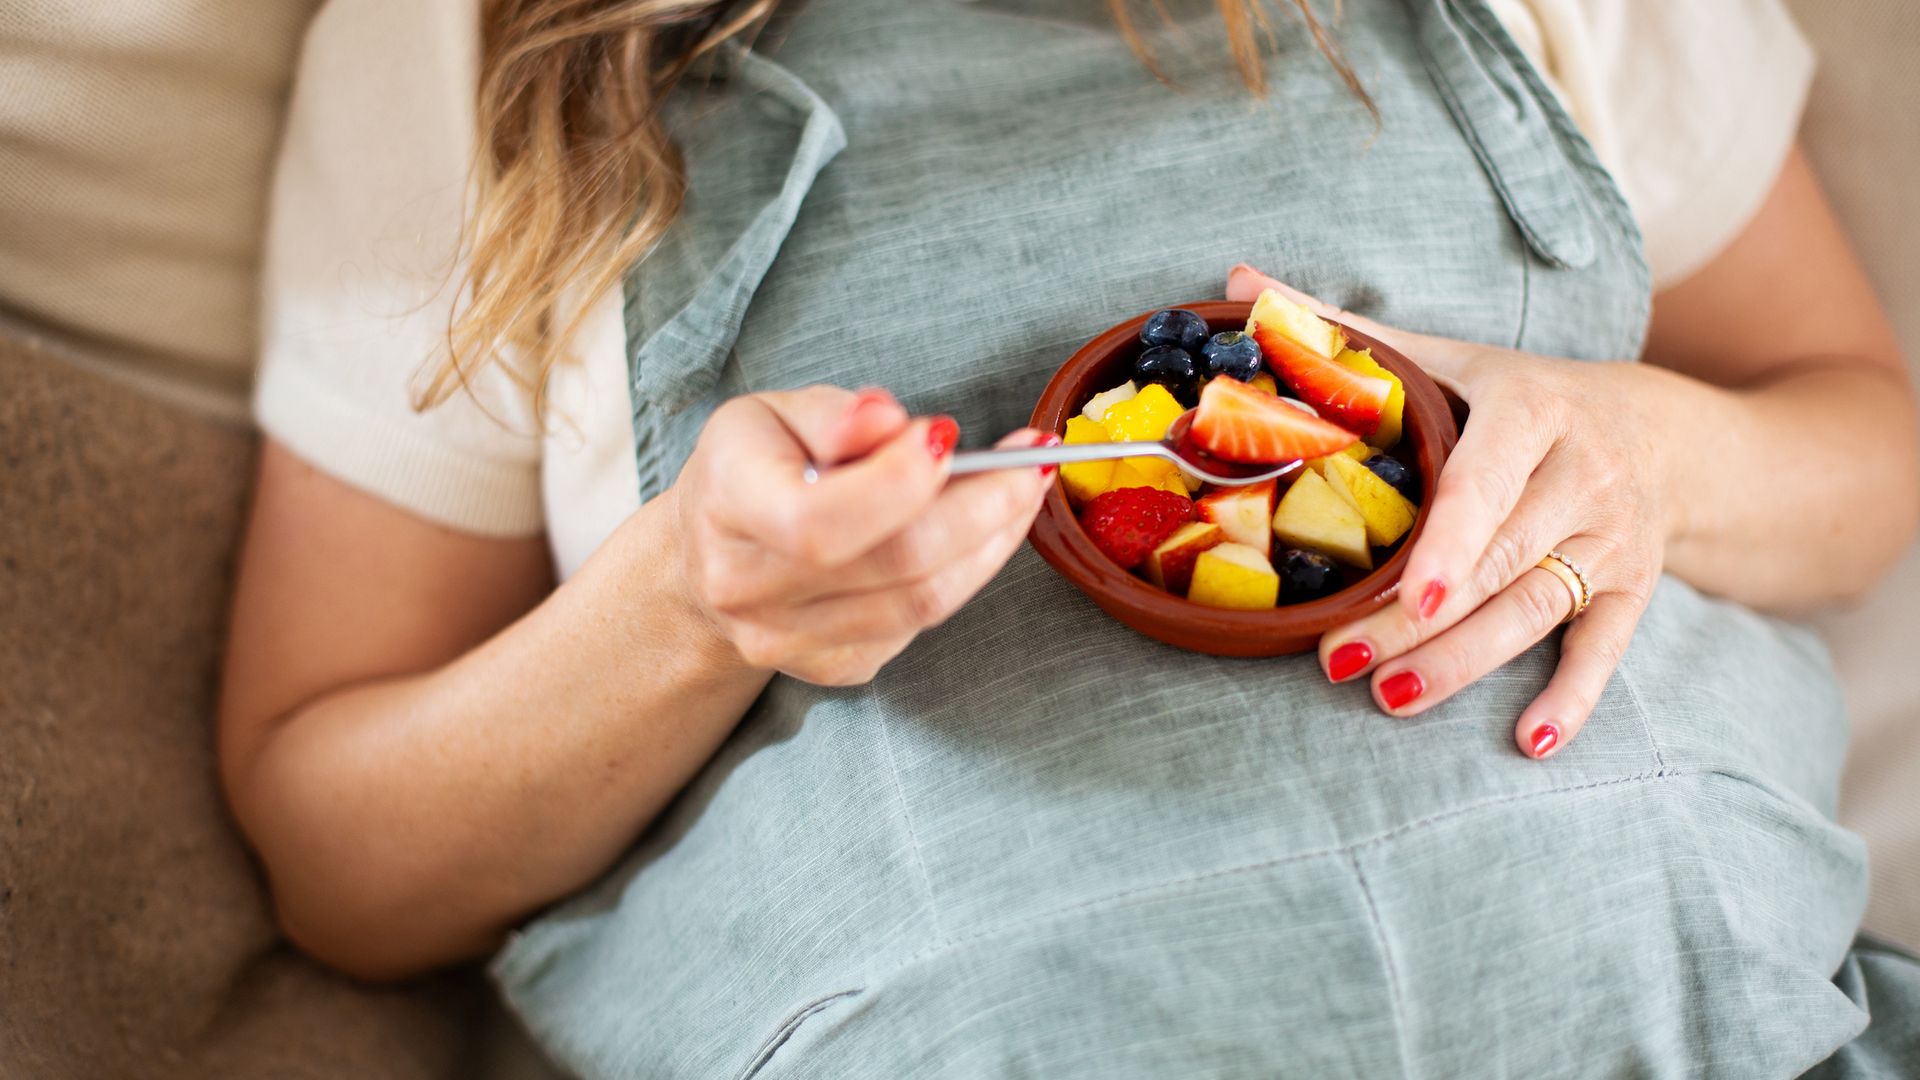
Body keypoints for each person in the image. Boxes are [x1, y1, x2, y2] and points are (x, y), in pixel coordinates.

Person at [221, 0, 1920, 1075]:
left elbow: (1867, 450)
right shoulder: (464, 44)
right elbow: (344, 865)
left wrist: (1649, 450)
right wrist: (690, 608)